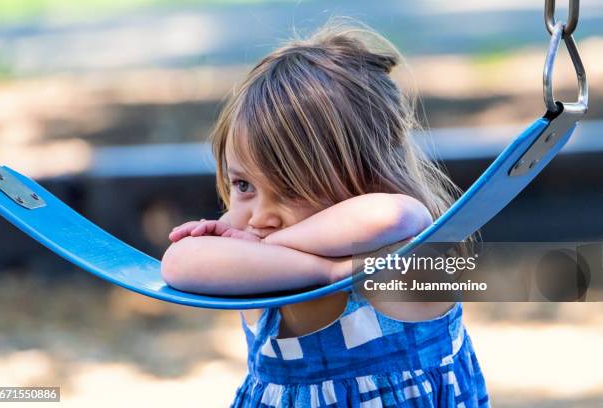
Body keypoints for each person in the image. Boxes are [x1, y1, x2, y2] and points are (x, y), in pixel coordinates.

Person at [161, 18, 489, 407]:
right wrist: (314, 265)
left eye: (291, 189)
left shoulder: (401, 256)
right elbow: (179, 263)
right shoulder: (255, 236)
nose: (260, 216)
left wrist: (322, 267)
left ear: (368, 177)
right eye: (244, 186)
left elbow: (397, 214)